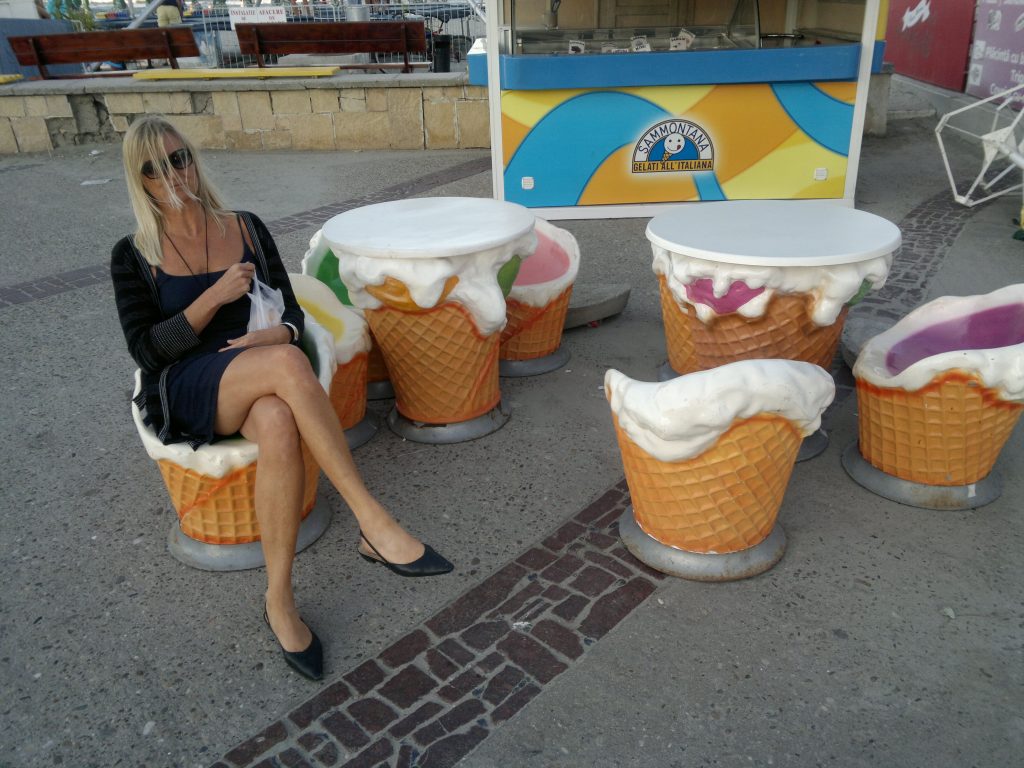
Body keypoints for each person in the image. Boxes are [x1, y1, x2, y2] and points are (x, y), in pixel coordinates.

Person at [111, 115, 453, 681]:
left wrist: (280, 334)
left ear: (192, 157)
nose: (171, 174)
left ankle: (279, 599)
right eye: (154, 168)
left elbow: (289, 311)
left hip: (258, 368)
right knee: (289, 366)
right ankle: (372, 521)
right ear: (138, 179)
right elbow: (147, 350)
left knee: (275, 418)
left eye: (178, 158)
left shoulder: (245, 227)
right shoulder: (133, 253)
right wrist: (213, 299)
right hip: (188, 382)